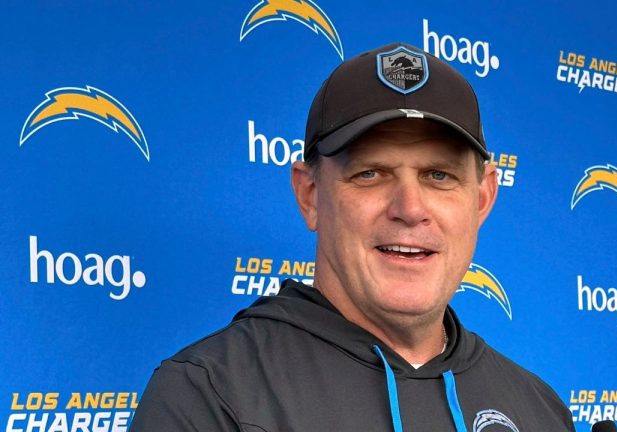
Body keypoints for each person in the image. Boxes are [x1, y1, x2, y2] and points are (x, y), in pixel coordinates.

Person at [130, 42, 575, 432]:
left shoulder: (540, 407)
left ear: (482, 199)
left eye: (438, 175)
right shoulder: (210, 395)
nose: (410, 208)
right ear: (310, 195)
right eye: (371, 174)